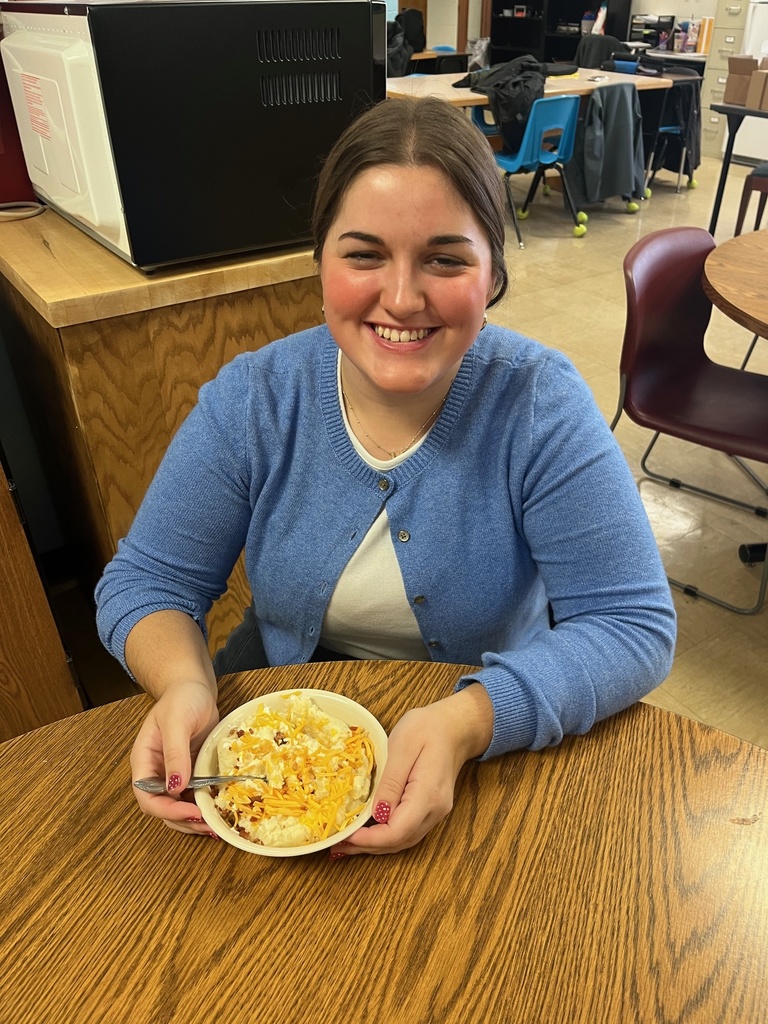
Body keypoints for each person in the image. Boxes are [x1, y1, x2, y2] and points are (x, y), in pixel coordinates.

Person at [95, 96, 676, 857]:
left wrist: (471, 722)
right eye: (363, 254)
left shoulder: (539, 404)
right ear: (320, 261)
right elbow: (147, 582)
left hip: (481, 766)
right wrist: (183, 685)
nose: (401, 298)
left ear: (493, 271)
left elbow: (631, 625)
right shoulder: (255, 399)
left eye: (445, 258)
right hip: (270, 755)